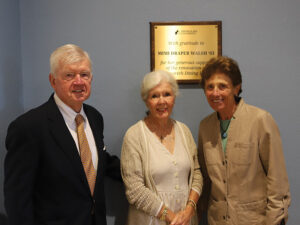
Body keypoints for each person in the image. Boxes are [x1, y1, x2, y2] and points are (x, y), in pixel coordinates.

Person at [4, 44, 121, 225]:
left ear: (91, 79)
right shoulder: (28, 127)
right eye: (69, 75)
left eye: (84, 75)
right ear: (53, 81)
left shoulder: (95, 118)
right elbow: (17, 200)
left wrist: (142, 171)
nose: (79, 82)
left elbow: (94, 160)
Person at [197, 56, 291, 225]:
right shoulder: (205, 127)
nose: (215, 93)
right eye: (210, 87)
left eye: (222, 86)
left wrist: (275, 220)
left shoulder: (261, 120)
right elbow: (205, 179)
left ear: (236, 88)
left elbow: (278, 182)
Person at [121, 70, 203, 225]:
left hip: (186, 221)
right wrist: (170, 216)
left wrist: (189, 209)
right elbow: (134, 190)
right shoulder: (134, 136)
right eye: (154, 96)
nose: (162, 101)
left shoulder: (184, 131)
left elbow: (197, 173)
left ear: (174, 98)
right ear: (146, 101)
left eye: (167, 94)